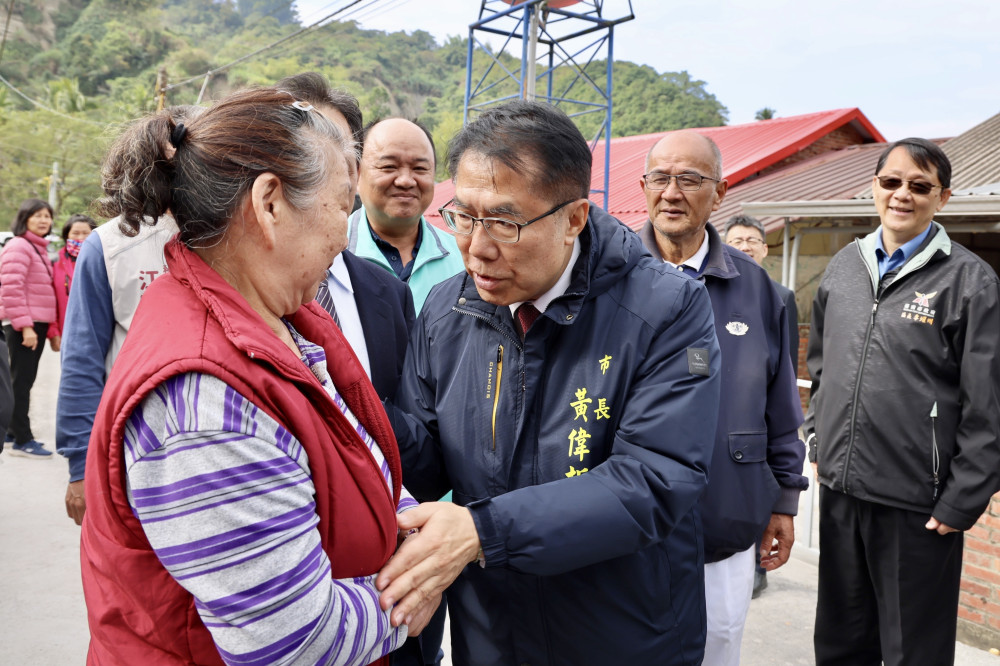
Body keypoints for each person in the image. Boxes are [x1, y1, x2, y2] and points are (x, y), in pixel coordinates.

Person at [80, 88, 432, 665]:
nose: (346, 237)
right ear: (270, 203)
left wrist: (410, 527)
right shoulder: (203, 408)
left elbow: (354, 450)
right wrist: (417, 586)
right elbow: (294, 642)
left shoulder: (275, 320)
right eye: (342, 206)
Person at [377, 100, 722, 665]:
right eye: (464, 216)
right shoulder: (448, 307)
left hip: (622, 634)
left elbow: (655, 479)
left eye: (505, 223)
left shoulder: (666, 307)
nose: (477, 248)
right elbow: (424, 452)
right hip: (493, 632)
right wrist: (349, 406)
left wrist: (482, 532)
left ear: (574, 219)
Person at [806, 137, 1000, 665]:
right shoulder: (846, 266)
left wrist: (963, 498)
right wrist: (819, 436)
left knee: (913, 650)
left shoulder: (970, 282)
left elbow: (990, 405)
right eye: (891, 182)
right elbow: (821, 365)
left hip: (919, 504)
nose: (902, 195)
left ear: (943, 197)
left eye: (920, 186)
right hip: (843, 491)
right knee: (842, 642)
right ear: (874, 187)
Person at [637, 131, 807, 665]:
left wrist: (784, 499)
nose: (671, 192)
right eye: (660, 178)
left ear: (721, 192)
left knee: (717, 644)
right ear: (642, 187)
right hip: (627, 518)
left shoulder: (760, 293)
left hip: (726, 516)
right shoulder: (609, 280)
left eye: (689, 179)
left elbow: (782, 409)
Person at [56, 107, 196, 525]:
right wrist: (80, 467)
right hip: (133, 448)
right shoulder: (110, 245)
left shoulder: (225, 236)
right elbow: (82, 362)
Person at [276, 72, 416, 401]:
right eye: (303, 154)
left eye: (336, 154)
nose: (318, 171)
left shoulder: (391, 295)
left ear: (355, 172)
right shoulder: (238, 289)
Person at [722, 212, 800, 599]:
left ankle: (757, 567)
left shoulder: (778, 296)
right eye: (737, 240)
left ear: (765, 249)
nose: (745, 246)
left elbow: (783, 367)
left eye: (753, 240)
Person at [347, 117, 464, 313]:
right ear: (357, 174)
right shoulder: (329, 257)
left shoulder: (463, 258)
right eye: (389, 167)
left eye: (419, 168)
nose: (406, 181)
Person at [0, 199, 61, 458]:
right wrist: (25, 326)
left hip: (33, 323)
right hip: (23, 324)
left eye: (47, 216)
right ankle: (23, 440)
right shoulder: (19, 246)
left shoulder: (36, 248)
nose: (43, 220)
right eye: (37, 215)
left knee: (21, 381)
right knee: (20, 383)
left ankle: (13, 432)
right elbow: (10, 288)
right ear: (24, 219)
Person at [52, 213, 96, 338]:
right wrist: (54, 332)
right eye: (75, 233)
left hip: (96, 328)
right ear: (67, 235)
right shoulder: (55, 261)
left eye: (86, 233)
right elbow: (51, 300)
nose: (81, 238)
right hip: (67, 329)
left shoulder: (103, 260)